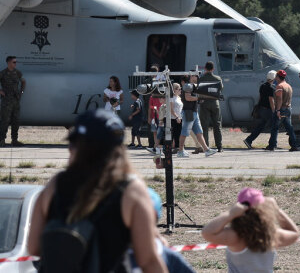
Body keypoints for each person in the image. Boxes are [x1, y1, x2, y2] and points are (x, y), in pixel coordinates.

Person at [27, 110, 166, 272]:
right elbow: (148, 260)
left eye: (73, 144)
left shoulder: (55, 184)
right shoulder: (131, 190)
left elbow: (33, 247)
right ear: (118, 148)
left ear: (78, 147)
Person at [201, 188, 299, 272]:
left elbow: (208, 233)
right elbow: (294, 233)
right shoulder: (271, 235)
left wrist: (230, 214)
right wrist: (277, 210)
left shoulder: (237, 237)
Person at [0, 56, 26, 146]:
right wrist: (0, 91)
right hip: (6, 101)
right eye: (14, 62)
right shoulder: (3, 73)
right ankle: (2, 140)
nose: (15, 64)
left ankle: (14, 140)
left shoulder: (18, 73)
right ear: (9, 63)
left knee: (16, 121)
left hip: (16, 100)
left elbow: (23, 82)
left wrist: (21, 92)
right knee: (5, 120)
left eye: (16, 62)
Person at [178, 74, 215, 158]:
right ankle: (180, 151)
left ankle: (206, 150)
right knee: (185, 132)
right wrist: (199, 98)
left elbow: (193, 98)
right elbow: (188, 98)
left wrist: (200, 99)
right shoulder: (188, 86)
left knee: (199, 132)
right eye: (195, 75)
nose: (198, 77)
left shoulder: (193, 86)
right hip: (188, 112)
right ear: (191, 77)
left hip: (194, 112)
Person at [269, 70, 300, 151]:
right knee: (289, 128)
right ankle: (294, 145)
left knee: (274, 128)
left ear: (278, 77)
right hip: (288, 109)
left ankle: (272, 146)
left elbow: (279, 99)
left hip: (281, 109)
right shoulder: (288, 86)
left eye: (276, 76)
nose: (275, 78)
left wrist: (278, 110)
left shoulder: (279, 86)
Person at [244, 71, 277, 149]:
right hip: (268, 110)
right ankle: (272, 144)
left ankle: (249, 140)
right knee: (274, 126)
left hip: (262, 109)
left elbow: (260, 97)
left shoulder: (262, 86)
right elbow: (271, 100)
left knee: (260, 126)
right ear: (273, 78)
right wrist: (274, 110)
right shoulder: (271, 88)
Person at [198, 61, 224, 152]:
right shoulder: (218, 78)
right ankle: (219, 146)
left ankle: (206, 147)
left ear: (205, 68)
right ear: (213, 69)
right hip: (215, 103)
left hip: (204, 103)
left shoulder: (201, 79)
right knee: (217, 125)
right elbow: (221, 88)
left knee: (204, 126)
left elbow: (198, 89)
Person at [152, 82, 182, 156]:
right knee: (167, 135)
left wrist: (179, 117)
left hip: (178, 118)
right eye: (179, 89)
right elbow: (171, 109)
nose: (180, 90)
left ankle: (177, 150)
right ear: (174, 90)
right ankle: (159, 149)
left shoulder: (178, 98)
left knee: (177, 135)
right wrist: (177, 117)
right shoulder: (171, 98)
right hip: (171, 118)